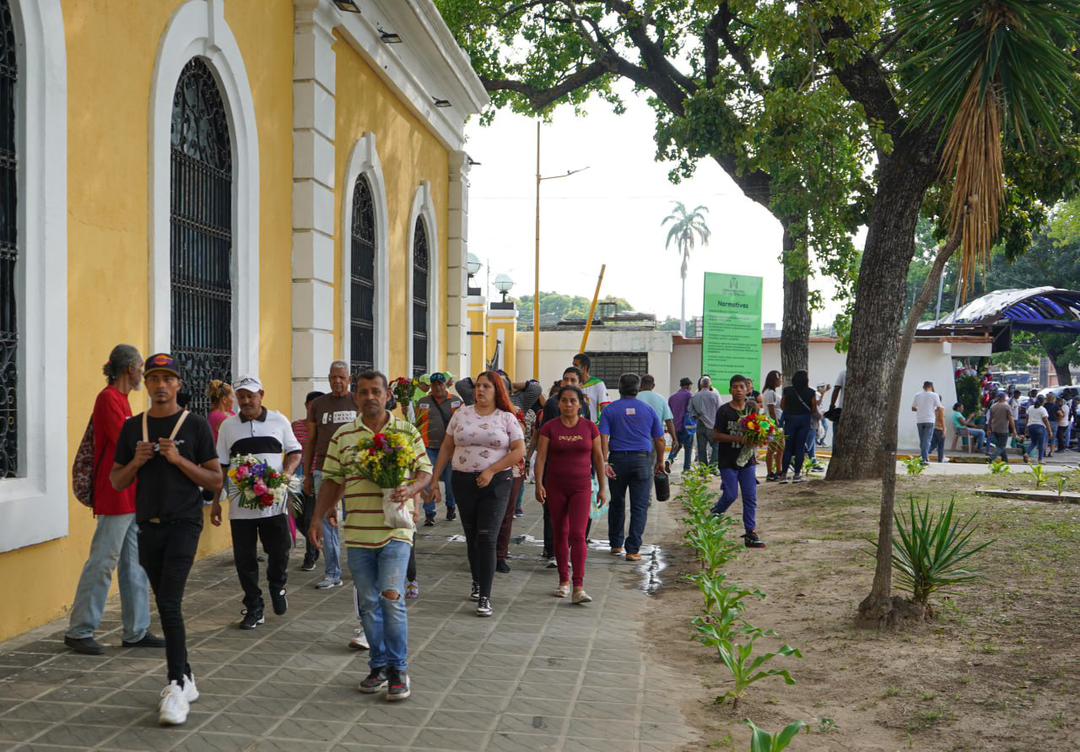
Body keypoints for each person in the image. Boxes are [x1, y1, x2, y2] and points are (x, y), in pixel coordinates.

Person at [110, 353, 221, 726]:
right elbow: (117, 481)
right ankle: (186, 676)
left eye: (167, 379)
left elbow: (215, 480)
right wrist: (136, 462)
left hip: (184, 524)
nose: (160, 385)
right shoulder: (132, 428)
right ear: (146, 382)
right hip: (147, 526)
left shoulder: (197, 425)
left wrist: (178, 461)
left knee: (170, 603)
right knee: (165, 601)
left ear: (178, 385)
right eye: (153, 378)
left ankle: (175, 686)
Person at [311, 370, 431, 702]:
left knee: (391, 597)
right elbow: (333, 480)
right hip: (359, 532)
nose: (369, 397)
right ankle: (377, 664)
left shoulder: (405, 431)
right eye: (362, 392)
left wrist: (411, 488)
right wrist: (318, 517)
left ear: (387, 395)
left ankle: (398, 670)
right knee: (367, 603)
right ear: (355, 396)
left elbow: (425, 471)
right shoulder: (343, 436)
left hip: (396, 530)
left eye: (375, 391)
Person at [65, 346, 164, 656]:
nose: (142, 376)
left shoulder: (121, 401)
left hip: (130, 493)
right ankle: (80, 630)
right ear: (128, 370)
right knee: (103, 561)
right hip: (114, 493)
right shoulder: (108, 399)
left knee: (135, 563)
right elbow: (126, 442)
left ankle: (137, 630)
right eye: (140, 369)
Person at [430, 371, 525, 617]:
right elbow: (447, 447)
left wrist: (492, 470)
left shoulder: (506, 418)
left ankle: (485, 594)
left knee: (487, 536)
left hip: (496, 483)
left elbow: (518, 451)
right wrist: (433, 480)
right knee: (471, 535)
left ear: (497, 391)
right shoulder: (461, 414)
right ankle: (476, 580)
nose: (480, 390)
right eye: (478, 386)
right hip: (463, 481)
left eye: (486, 386)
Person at [212, 377, 302, 630]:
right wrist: (217, 501)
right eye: (241, 396)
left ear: (261, 394)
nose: (246, 401)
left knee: (280, 549)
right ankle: (254, 606)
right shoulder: (228, 427)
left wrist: (286, 474)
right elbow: (221, 464)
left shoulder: (279, 421)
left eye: (251, 395)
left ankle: (277, 585)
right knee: (245, 559)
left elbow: (295, 451)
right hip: (241, 507)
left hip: (274, 503)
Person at [535, 385, 609, 603]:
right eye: (564, 400)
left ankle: (578, 586)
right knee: (560, 533)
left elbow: (598, 458)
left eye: (573, 401)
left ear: (580, 404)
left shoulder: (589, 428)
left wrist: (603, 487)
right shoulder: (549, 428)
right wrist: (539, 483)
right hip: (555, 487)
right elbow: (541, 458)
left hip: (581, 487)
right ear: (558, 404)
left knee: (577, 534)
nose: (568, 404)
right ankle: (563, 581)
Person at [302, 362, 357, 590]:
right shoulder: (318, 405)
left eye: (341, 377)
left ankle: (360, 568)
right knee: (328, 522)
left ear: (349, 378)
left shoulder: (357, 401)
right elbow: (311, 440)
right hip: (325, 469)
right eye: (333, 377)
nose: (337, 381)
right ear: (328, 378)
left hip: (355, 471)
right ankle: (332, 572)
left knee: (356, 520)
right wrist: (307, 474)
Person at [600, 373, 665, 562]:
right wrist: (660, 461)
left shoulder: (610, 411)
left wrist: (604, 461)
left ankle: (615, 544)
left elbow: (603, 437)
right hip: (642, 461)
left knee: (617, 502)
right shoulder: (648, 410)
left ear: (619, 388)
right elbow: (659, 439)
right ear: (638, 389)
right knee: (639, 506)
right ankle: (632, 549)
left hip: (617, 461)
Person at [538, 367, 592, 566]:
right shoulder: (552, 405)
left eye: (573, 379)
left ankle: (574, 559)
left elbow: (594, 447)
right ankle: (551, 551)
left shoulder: (585, 408)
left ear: (579, 383)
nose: (569, 383)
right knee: (554, 519)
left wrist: (597, 476)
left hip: (580, 478)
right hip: (555, 474)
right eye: (566, 379)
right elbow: (542, 446)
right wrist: (539, 479)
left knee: (578, 527)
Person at [710, 375, 766, 548]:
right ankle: (714, 514)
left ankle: (750, 533)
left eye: (741, 387)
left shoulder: (752, 408)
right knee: (731, 494)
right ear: (730, 390)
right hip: (728, 460)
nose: (738, 390)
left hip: (747, 461)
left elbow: (760, 428)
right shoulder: (724, 411)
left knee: (750, 497)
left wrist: (761, 438)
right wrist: (738, 439)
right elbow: (716, 435)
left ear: (748, 389)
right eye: (735, 387)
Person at [415, 372, 462, 526]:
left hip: (449, 449)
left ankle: (450, 507)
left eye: (440, 384)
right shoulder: (423, 402)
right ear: (431, 386)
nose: (437, 387)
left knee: (450, 482)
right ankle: (429, 513)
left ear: (445, 384)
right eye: (434, 384)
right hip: (428, 448)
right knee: (428, 481)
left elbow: (461, 424)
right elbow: (418, 422)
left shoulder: (456, 401)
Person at [292, 390, 324, 572]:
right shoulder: (295, 426)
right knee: (297, 518)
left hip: (313, 476)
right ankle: (316, 538)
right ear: (306, 406)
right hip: (296, 475)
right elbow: (290, 450)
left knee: (310, 517)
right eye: (310, 405)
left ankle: (310, 556)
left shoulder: (323, 429)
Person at [780, 370, 818, 482]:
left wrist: (791, 411)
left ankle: (783, 475)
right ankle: (797, 475)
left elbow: (782, 405)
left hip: (790, 420)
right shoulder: (811, 392)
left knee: (788, 447)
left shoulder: (787, 390)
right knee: (800, 448)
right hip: (804, 420)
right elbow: (814, 408)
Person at [636, 375, 677, 472]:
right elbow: (669, 421)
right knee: (655, 464)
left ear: (640, 385)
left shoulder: (635, 398)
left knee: (639, 465)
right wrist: (674, 438)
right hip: (656, 439)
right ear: (653, 385)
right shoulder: (661, 398)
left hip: (637, 437)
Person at [689, 376, 721, 466]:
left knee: (701, 448)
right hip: (713, 425)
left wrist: (697, 416)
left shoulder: (694, 396)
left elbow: (690, 411)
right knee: (716, 446)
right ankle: (713, 465)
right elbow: (720, 409)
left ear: (700, 384)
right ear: (710, 384)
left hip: (700, 424)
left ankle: (703, 469)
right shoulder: (715, 395)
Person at [760, 370, 784, 481]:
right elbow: (771, 410)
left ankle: (779, 471)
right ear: (774, 380)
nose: (781, 381)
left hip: (774, 424)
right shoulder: (770, 393)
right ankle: (770, 473)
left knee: (780, 448)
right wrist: (776, 424)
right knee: (772, 448)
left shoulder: (771, 392)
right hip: (773, 425)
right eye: (779, 379)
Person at [911, 381, 942, 465]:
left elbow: (913, 408)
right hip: (930, 419)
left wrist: (921, 410)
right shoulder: (935, 395)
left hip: (920, 420)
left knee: (922, 440)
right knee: (927, 440)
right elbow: (939, 408)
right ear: (931, 387)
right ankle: (924, 459)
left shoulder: (917, 395)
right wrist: (932, 410)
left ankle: (923, 457)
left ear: (923, 387)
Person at [667, 377, 694, 472]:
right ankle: (686, 468)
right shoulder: (689, 396)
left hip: (674, 426)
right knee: (688, 447)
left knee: (676, 445)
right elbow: (691, 410)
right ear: (688, 386)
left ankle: (670, 459)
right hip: (686, 426)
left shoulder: (672, 397)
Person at [573, 353, 610, 421]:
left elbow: (605, 408)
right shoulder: (573, 385)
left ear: (584, 367)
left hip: (593, 426)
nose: (573, 368)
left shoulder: (598, 384)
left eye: (576, 366)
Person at [987, 391, 1017, 463]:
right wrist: (1014, 430)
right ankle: (992, 457)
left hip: (995, 429)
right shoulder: (1007, 406)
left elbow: (990, 419)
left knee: (1000, 446)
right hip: (1003, 429)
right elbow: (1010, 419)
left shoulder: (993, 406)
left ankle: (1005, 461)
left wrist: (989, 429)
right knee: (1001, 446)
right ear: (1004, 398)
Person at [1023, 396, 1052, 463]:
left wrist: (1026, 428)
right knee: (1041, 444)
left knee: (1033, 442)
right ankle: (1040, 459)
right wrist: (1049, 430)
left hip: (1031, 426)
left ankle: (1027, 453)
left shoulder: (1030, 408)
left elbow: (1027, 418)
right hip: (1040, 427)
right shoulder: (1042, 409)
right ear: (1042, 402)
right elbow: (1045, 420)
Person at [929, 398, 947, 463]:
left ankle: (923, 456)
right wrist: (944, 429)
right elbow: (942, 419)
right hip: (940, 429)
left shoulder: (933, 408)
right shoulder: (941, 408)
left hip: (934, 428)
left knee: (933, 445)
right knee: (940, 446)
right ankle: (940, 460)